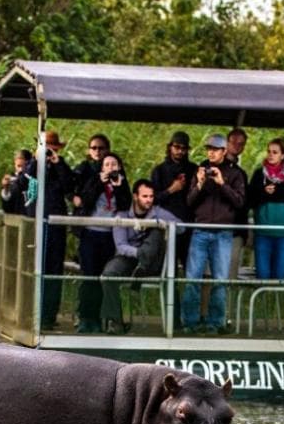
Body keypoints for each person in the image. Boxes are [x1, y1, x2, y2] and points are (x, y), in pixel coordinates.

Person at [181, 134, 246, 334]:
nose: (211, 152)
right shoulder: (199, 169)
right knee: (193, 278)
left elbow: (240, 202)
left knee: (220, 279)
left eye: (215, 149)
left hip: (223, 233)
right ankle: (190, 322)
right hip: (200, 231)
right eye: (208, 148)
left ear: (224, 151)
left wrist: (221, 183)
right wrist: (200, 183)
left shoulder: (236, 173)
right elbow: (189, 202)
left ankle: (215, 322)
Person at [100, 179, 179, 335]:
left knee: (157, 231)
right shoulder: (122, 215)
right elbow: (121, 245)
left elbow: (181, 227)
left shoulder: (158, 212)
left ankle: (141, 269)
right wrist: (138, 253)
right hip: (130, 257)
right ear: (135, 196)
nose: (149, 200)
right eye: (145, 196)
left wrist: (157, 223)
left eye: (151, 196)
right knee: (108, 275)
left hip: (152, 261)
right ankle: (115, 322)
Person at [76, 152, 131, 333]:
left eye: (114, 164)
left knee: (103, 278)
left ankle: (101, 319)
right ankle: (86, 318)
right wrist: (100, 183)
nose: (110, 168)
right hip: (91, 234)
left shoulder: (122, 183)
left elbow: (125, 205)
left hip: (110, 236)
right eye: (107, 164)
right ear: (102, 167)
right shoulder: (94, 180)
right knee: (89, 276)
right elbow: (86, 201)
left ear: (119, 167)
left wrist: (118, 187)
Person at [30, 132, 74, 329]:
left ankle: (48, 315)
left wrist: (58, 163)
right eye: (46, 146)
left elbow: (69, 187)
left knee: (53, 269)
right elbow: (27, 182)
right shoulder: (34, 164)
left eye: (52, 146)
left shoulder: (60, 166)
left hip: (55, 226)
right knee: (34, 268)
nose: (49, 150)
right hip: (35, 225)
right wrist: (37, 159)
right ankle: (32, 314)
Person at [247, 138, 284, 281]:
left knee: (279, 276)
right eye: (269, 151)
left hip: (283, 235)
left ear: (283, 155)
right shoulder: (259, 174)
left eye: (275, 152)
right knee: (263, 275)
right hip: (262, 233)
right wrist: (263, 192)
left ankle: (275, 302)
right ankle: (262, 302)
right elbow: (249, 201)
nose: (270, 155)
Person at [150, 131, 197, 267]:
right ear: (170, 147)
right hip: (167, 226)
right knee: (169, 268)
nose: (180, 151)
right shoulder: (159, 171)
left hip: (188, 226)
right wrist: (171, 190)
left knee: (190, 267)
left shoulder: (193, 169)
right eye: (177, 147)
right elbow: (152, 199)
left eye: (184, 148)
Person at [225, 128, 250, 280]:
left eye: (241, 144)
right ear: (226, 143)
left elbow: (244, 204)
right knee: (208, 276)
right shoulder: (210, 167)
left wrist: (243, 230)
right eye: (233, 142)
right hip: (215, 228)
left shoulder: (241, 173)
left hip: (235, 231)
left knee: (230, 274)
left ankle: (227, 305)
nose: (236, 146)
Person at [72, 133, 111, 212]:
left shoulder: (113, 167)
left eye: (101, 148)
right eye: (94, 148)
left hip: (106, 211)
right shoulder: (83, 167)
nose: (97, 151)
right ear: (89, 150)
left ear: (107, 150)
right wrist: (73, 197)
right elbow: (68, 184)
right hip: (85, 211)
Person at [0, 149, 33, 216]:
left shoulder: (32, 180)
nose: (21, 170)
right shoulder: (11, 180)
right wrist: (6, 189)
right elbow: (6, 208)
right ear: (14, 164)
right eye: (18, 166)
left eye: (24, 167)